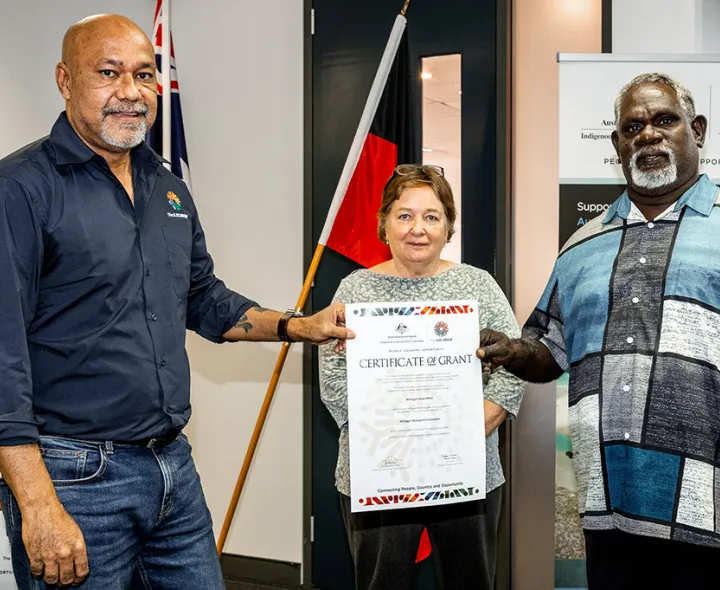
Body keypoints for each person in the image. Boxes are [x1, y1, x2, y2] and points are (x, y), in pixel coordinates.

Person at [0, 14, 354, 590]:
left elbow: (203, 299)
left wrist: (299, 326)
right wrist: (38, 505)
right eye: (108, 73)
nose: (130, 92)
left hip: (172, 471)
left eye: (144, 75)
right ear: (65, 80)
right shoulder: (20, 189)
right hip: (73, 478)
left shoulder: (166, 186)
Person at [479, 73, 720, 589]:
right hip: (609, 497)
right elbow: (551, 349)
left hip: (710, 500)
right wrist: (513, 352)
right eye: (633, 126)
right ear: (617, 144)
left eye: (664, 120)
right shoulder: (582, 244)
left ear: (696, 130)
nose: (649, 134)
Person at [319, 164, 524, 590]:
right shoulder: (354, 289)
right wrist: (394, 439)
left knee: (470, 581)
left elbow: (514, 363)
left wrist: (477, 423)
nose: (418, 228)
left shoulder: (478, 285)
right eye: (405, 215)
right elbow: (334, 381)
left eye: (432, 216)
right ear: (384, 224)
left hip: (467, 470)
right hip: (378, 470)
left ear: (448, 226)